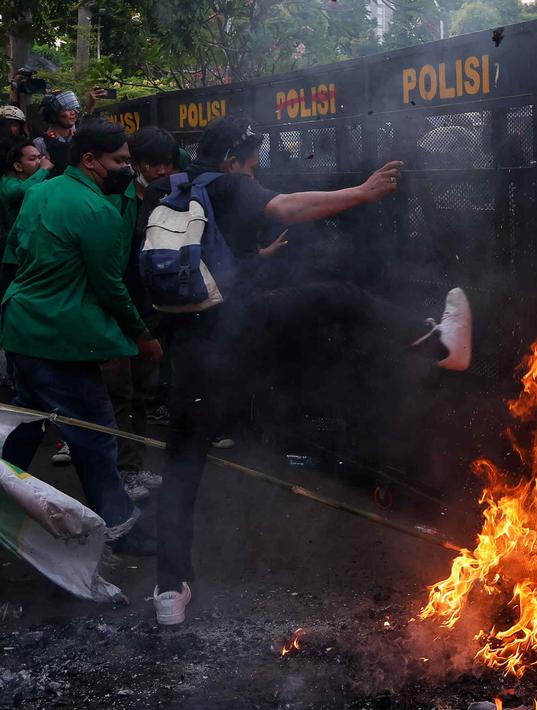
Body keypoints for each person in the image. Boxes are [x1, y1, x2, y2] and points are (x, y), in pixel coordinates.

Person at [140, 115, 472, 625]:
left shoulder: (163, 192)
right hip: (240, 330)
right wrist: (362, 193)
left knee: (182, 467)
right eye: (252, 164)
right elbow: (290, 207)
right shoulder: (229, 183)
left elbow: (185, 268)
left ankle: (169, 590)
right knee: (337, 297)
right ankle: (438, 344)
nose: (255, 172)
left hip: (191, 351)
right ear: (232, 160)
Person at [0, 122, 162, 559]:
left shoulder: (40, 192)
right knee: (95, 434)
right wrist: (141, 334)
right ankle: (120, 527)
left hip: (22, 325)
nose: (127, 169)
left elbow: (15, 249)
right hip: (61, 337)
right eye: (120, 161)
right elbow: (110, 285)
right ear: (90, 160)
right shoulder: (97, 210)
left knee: (28, 420)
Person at [101, 126, 180, 496]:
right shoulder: (119, 199)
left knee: (143, 393)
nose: (162, 170)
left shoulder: (175, 195)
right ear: (137, 164)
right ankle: (122, 471)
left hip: (153, 307)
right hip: (122, 307)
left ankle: (134, 466)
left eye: (167, 163)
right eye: (153, 164)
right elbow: (113, 266)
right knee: (120, 390)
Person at [0, 138, 51, 300]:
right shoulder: (7, 187)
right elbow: (20, 192)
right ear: (18, 166)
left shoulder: (38, 185)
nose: (39, 162)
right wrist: (43, 171)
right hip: (9, 260)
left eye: (40, 157)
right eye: (32, 159)